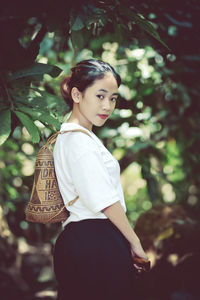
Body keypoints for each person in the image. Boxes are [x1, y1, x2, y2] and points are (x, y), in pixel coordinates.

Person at [53, 59, 149, 300]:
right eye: (100, 96)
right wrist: (135, 243)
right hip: (96, 243)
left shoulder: (72, 137)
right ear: (77, 94)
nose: (107, 105)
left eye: (113, 98)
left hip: (83, 240)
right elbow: (105, 200)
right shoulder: (79, 142)